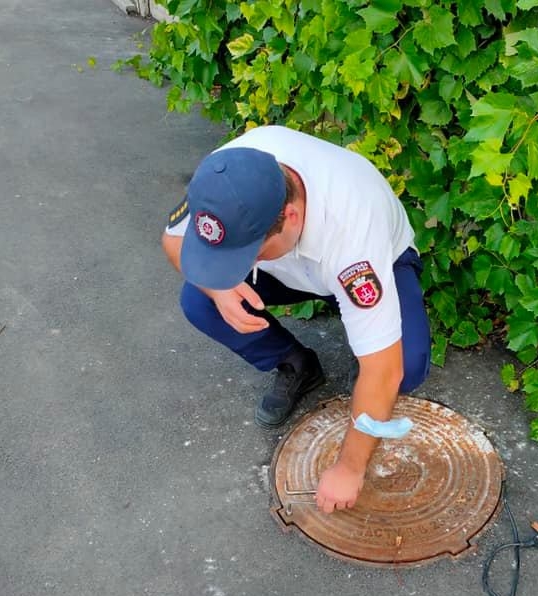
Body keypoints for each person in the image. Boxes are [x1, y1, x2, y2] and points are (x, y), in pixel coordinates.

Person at [161, 125, 430, 514]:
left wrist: (349, 468)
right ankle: (296, 363)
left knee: (403, 367)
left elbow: (384, 371)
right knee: (199, 301)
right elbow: (173, 241)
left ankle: (367, 358)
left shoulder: (353, 236)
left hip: (378, 260)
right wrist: (219, 290)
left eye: (251, 252)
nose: (242, 267)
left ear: (290, 215)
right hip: (293, 265)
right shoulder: (224, 178)